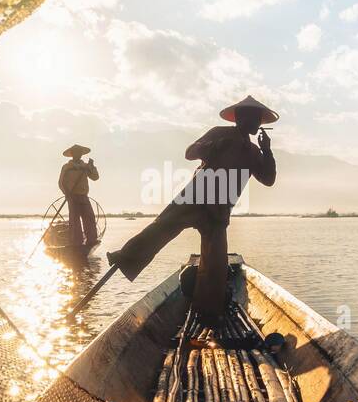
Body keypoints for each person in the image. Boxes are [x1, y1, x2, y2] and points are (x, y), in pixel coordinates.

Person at [107, 95, 277, 317]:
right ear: (240, 118)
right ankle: (126, 257)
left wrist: (267, 151)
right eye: (254, 119)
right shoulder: (219, 133)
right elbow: (189, 153)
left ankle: (207, 312)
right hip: (196, 194)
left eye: (259, 121)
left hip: (219, 209)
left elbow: (268, 179)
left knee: (216, 264)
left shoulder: (254, 152)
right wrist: (213, 146)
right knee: (163, 226)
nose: (257, 124)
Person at [59, 144, 100, 248]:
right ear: (72, 154)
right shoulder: (67, 167)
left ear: (81, 154)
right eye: (76, 152)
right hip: (72, 196)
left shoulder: (86, 167)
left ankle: (91, 240)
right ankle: (76, 243)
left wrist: (92, 166)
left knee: (89, 217)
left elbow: (95, 177)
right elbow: (61, 182)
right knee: (75, 219)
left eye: (80, 152)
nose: (78, 154)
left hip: (84, 196)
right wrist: (67, 193)